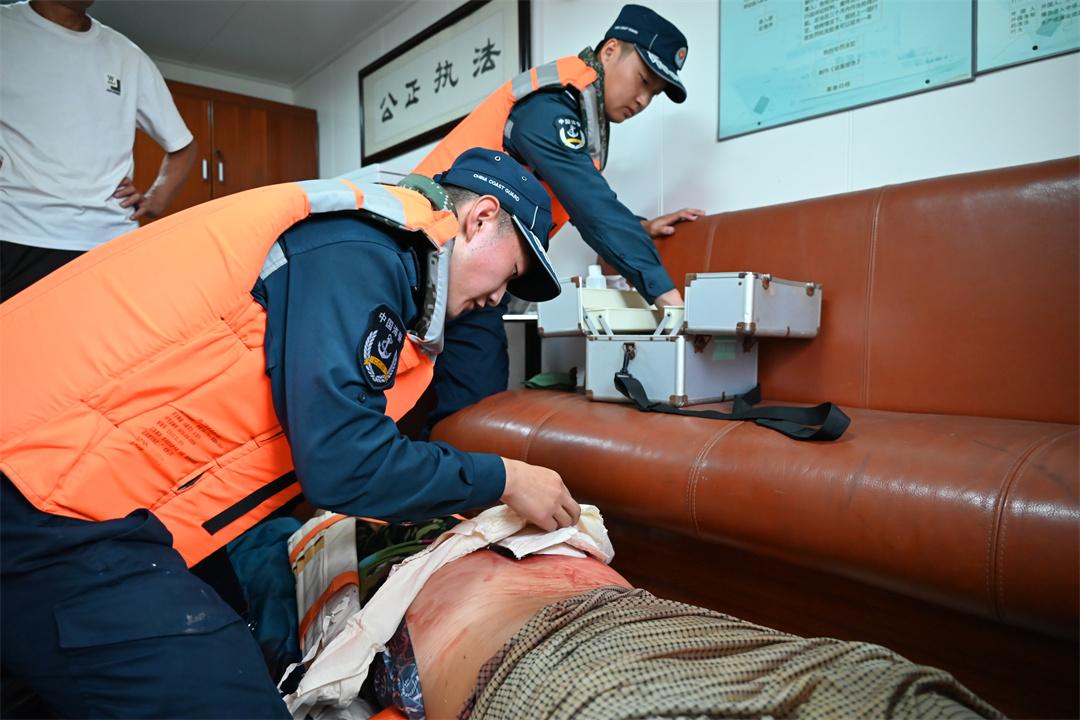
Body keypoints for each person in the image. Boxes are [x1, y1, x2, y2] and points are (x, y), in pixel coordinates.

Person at [0, 148, 582, 718]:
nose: (498, 298)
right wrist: (505, 478)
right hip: (46, 490)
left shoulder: (378, 256)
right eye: (513, 271)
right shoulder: (361, 252)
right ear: (480, 218)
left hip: (102, 485)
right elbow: (346, 462)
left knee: (243, 629)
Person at [280, 509, 1005, 720]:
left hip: (654, 629)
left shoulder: (512, 513)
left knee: (881, 692)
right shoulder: (358, 547)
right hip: (548, 667)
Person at [414, 4, 706, 430]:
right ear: (610, 50)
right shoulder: (550, 105)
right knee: (460, 409)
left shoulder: (581, 114)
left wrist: (639, 227)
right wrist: (672, 303)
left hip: (472, 271)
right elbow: (593, 208)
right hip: (429, 256)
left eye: (655, 93)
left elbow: (580, 194)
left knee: (475, 408)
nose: (644, 100)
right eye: (644, 80)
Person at [0, 0, 197, 302]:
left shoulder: (126, 55)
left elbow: (182, 145)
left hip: (108, 242)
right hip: (14, 233)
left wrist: (156, 199)